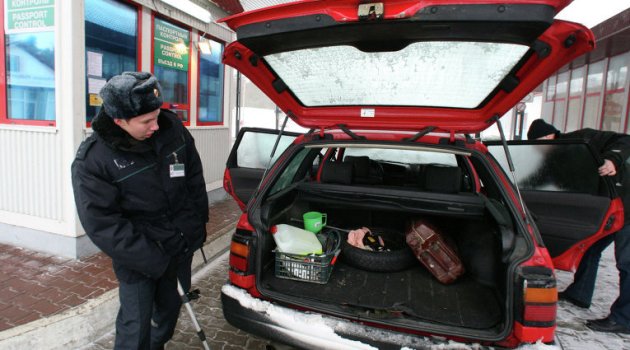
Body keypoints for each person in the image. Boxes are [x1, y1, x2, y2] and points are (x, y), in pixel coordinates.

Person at [71, 71, 209, 349]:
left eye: (157, 115)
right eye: (146, 121)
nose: (155, 125)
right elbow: (102, 223)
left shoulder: (172, 129)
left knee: (169, 312)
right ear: (119, 120)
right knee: (136, 326)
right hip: (140, 257)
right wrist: (152, 258)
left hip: (179, 245)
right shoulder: (93, 160)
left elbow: (194, 179)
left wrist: (196, 225)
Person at [527, 119, 630, 334]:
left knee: (627, 263)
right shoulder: (553, 158)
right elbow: (534, 182)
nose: (537, 149)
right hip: (606, 210)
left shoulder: (584, 138)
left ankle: (624, 319)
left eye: (537, 143)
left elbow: (625, 140)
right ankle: (580, 294)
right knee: (590, 249)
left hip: (627, 205)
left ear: (548, 137)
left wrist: (613, 160)